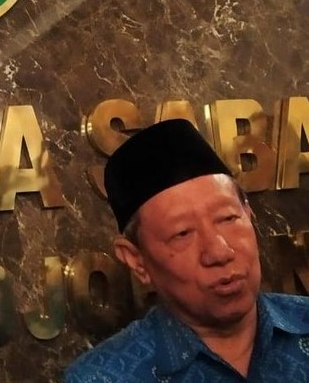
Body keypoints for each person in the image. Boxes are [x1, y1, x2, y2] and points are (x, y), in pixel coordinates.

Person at [66, 119, 309, 382]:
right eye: (182, 233)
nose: (219, 252)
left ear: (248, 215)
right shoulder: (102, 377)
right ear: (136, 260)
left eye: (228, 218)